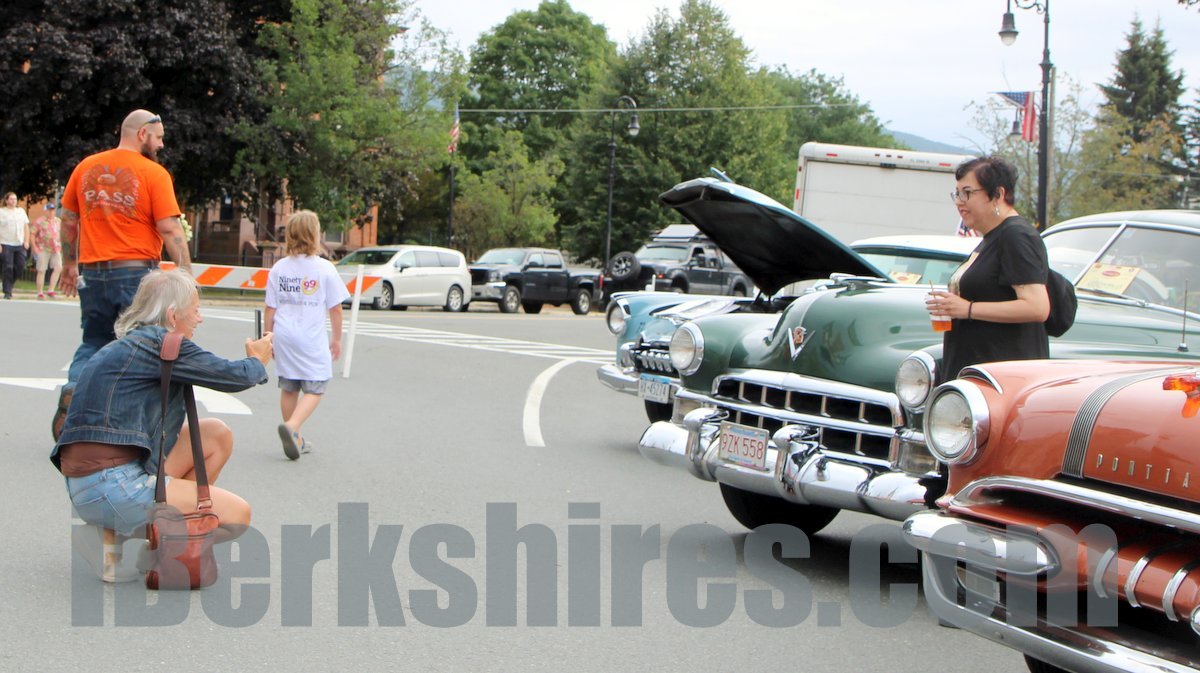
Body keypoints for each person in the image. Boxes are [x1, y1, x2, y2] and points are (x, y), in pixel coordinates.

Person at [51, 269, 273, 581]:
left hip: (83, 487)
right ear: (172, 315)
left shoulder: (118, 348)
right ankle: (147, 544)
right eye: (195, 310)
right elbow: (236, 376)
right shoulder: (165, 345)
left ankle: (116, 536)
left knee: (215, 435)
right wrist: (258, 359)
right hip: (116, 486)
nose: (200, 319)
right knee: (237, 516)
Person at [53, 109, 193, 440]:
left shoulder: (86, 168)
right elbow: (170, 228)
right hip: (136, 274)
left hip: (93, 273)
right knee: (142, 346)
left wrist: (70, 265)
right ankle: (134, 426)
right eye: (159, 138)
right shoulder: (154, 173)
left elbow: (69, 220)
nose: (161, 145)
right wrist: (186, 276)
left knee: (94, 340)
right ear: (142, 134)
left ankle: (75, 389)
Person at [926, 155, 1050, 384]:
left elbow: (1037, 307)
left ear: (998, 194)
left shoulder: (1016, 235)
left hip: (1001, 378)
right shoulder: (992, 238)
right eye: (957, 194)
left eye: (967, 193)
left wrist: (968, 309)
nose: (959, 202)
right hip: (975, 371)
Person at [264, 210, 350, 460]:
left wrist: (267, 336)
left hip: (283, 333)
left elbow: (270, 307)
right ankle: (292, 426)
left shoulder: (279, 268)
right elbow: (335, 308)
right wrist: (336, 339)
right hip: (310, 336)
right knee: (316, 385)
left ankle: (297, 438)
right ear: (315, 235)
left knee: (289, 386)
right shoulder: (324, 269)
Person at [0, 191, 31, 300]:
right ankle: (7, 291)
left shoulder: (21, 212)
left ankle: (8, 284)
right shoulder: (2, 212)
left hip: (19, 243)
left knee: (20, 266)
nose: (14, 201)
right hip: (6, 243)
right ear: (6, 200)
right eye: (11, 199)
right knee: (8, 267)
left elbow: (26, 227)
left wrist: (26, 241)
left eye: (15, 199)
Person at [31, 203, 63, 299]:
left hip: (56, 248)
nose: (51, 212)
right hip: (43, 248)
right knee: (42, 269)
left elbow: (62, 233)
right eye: (49, 210)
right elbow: (32, 233)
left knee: (58, 267)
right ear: (45, 211)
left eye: (53, 210)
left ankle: (51, 289)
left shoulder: (58, 221)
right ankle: (40, 292)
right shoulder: (40, 221)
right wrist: (34, 247)